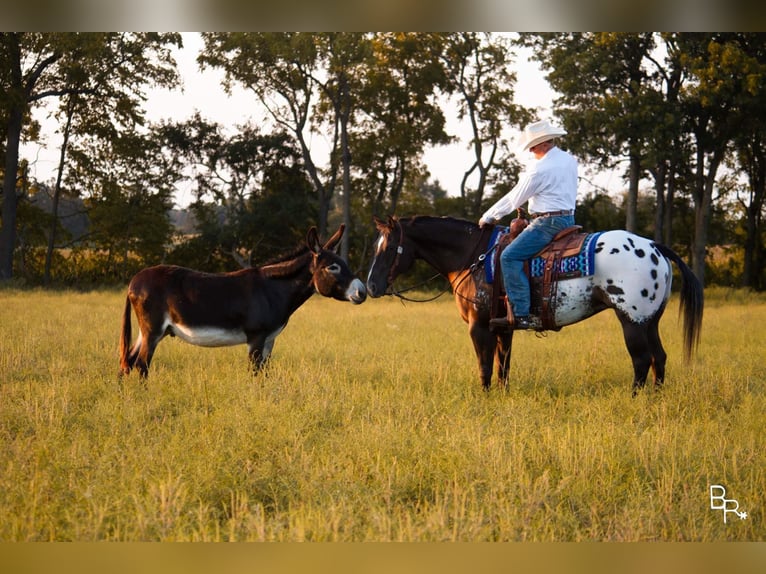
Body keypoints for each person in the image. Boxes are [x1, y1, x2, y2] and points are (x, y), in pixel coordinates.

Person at [478, 120, 578, 330]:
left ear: (543, 143)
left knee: (509, 256)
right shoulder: (568, 159)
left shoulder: (539, 169)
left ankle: (522, 313)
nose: (531, 150)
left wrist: (489, 216)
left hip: (547, 222)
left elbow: (515, 197)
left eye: (533, 146)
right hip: (568, 219)